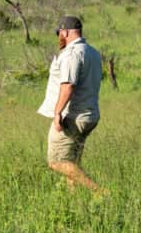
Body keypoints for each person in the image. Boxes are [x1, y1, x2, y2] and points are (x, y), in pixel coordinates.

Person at [37, 16, 106, 195]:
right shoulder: (93, 52)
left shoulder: (71, 54)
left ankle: (100, 192)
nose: (59, 37)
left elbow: (68, 85)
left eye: (59, 33)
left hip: (72, 117)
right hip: (90, 115)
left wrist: (57, 113)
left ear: (65, 32)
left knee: (57, 162)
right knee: (72, 164)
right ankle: (72, 201)